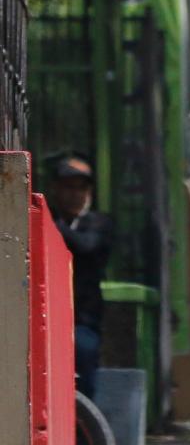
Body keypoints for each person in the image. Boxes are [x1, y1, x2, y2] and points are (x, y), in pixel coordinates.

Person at [48, 153, 113, 403]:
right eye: (69, 187)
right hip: (47, 314)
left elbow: (86, 246)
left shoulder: (98, 222)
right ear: (55, 189)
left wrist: (51, 223)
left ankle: (84, 435)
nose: (75, 195)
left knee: (83, 358)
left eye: (82, 188)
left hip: (82, 319)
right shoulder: (50, 218)